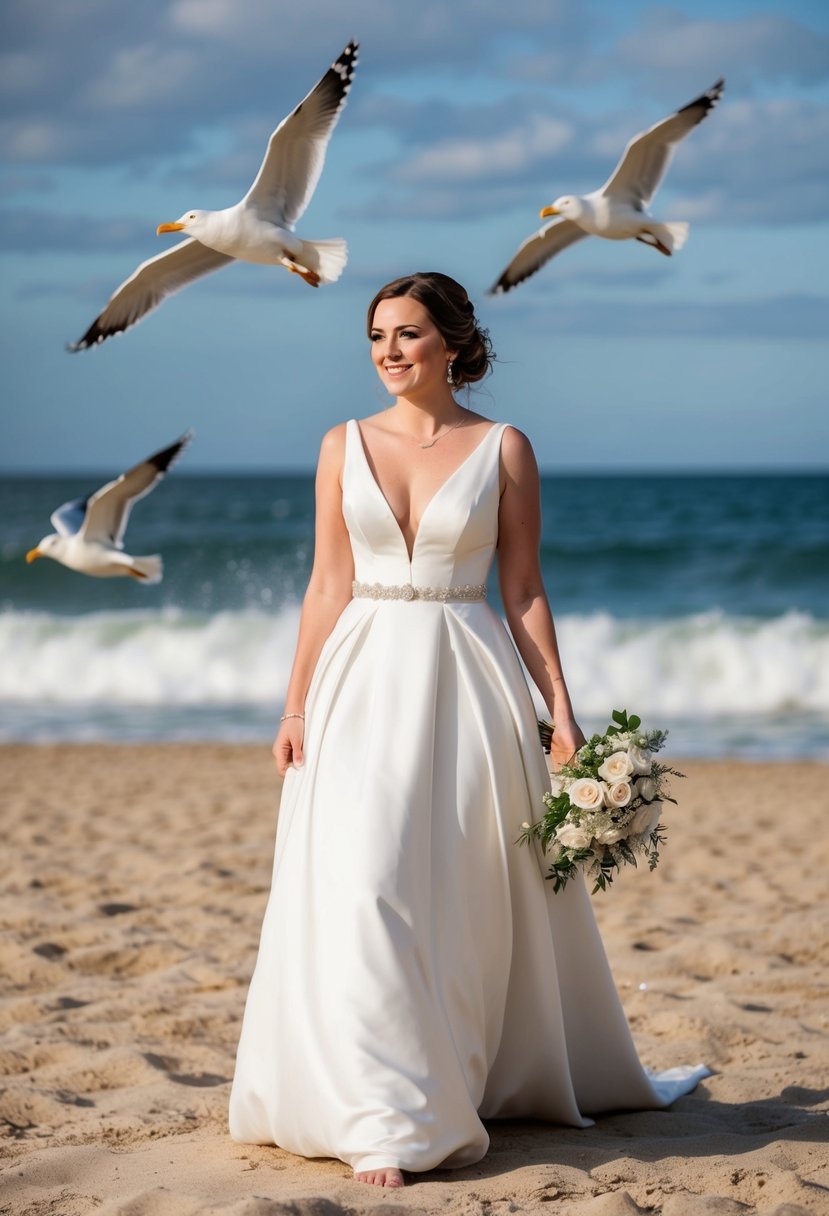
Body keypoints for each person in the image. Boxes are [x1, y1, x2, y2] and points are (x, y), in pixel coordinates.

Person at [228, 272, 706, 1189]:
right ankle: (386, 1116)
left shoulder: (503, 448)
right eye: (375, 336)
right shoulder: (340, 444)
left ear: (452, 341)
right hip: (360, 677)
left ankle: (453, 1073)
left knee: (458, 883)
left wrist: (561, 711)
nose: (388, 352)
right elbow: (327, 584)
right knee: (362, 883)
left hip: (467, 674)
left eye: (407, 334)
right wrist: (293, 704)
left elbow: (522, 588)